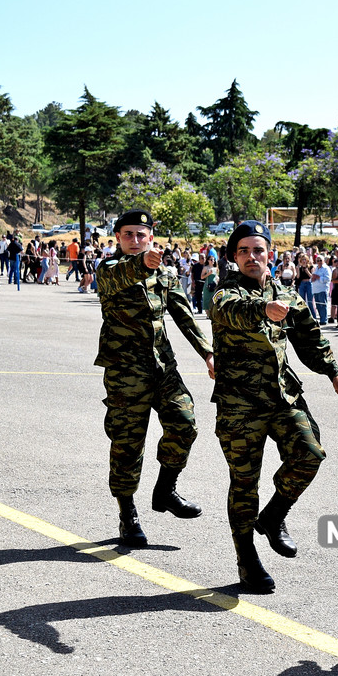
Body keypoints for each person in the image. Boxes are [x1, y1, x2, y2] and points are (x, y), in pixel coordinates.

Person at [209, 221, 338, 593]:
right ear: (234, 258)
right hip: (239, 404)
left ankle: (273, 517)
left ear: (269, 253)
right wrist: (264, 308)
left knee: (310, 454)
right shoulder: (225, 291)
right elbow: (230, 310)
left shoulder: (286, 293)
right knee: (244, 483)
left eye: (258, 250)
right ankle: (247, 559)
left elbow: (310, 336)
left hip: (282, 396)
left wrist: (333, 373)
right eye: (243, 251)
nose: (252, 257)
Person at [94, 209, 214, 547]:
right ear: (117, 238)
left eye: (141, 234)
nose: (135, 240)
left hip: (163, 367)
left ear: (151, 237)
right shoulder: (109, 270)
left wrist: (208, 353)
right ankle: (127, 513)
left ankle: (165, 490)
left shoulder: (165, 273)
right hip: (124, 373)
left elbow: (184, 316)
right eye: (128, 234)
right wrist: (143, 263)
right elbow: (124, 274)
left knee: (184, 422)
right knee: (127, 446)